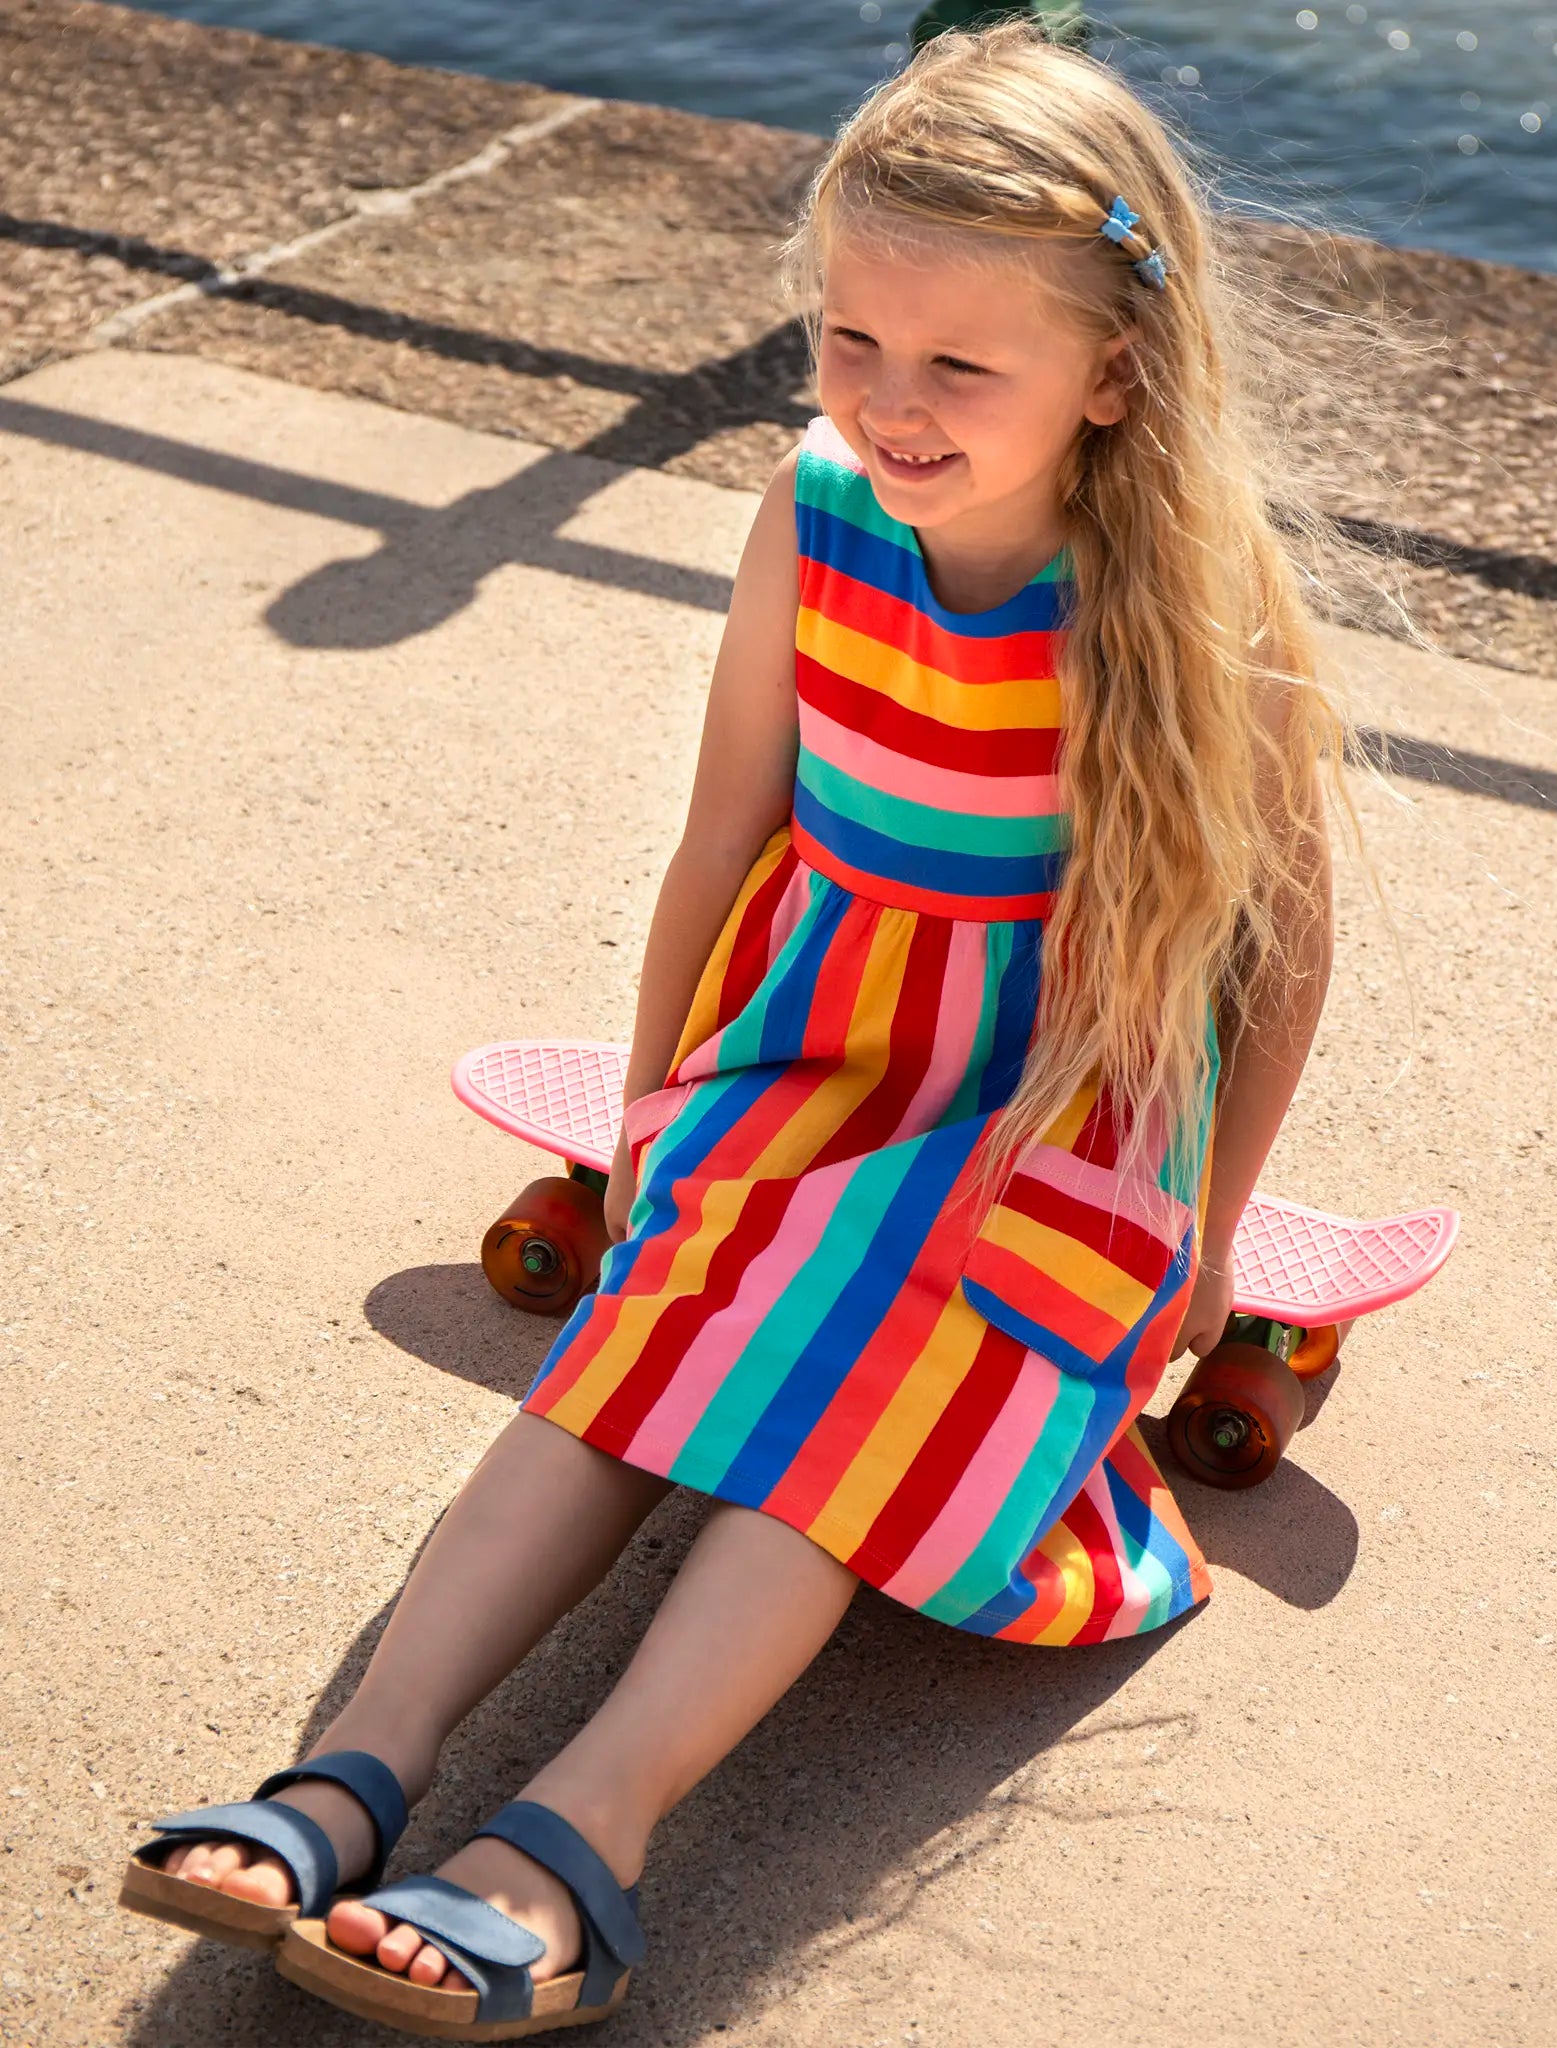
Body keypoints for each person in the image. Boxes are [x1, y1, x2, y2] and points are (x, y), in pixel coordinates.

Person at [119, 20, 1357, 2038]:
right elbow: (722, 839)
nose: (890, 399)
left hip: (1050, 1119)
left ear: (1115, 371)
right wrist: (649, 1119)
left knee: (857, 1395)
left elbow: (1278, 955)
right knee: (621, 1360)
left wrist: (1212, 1232)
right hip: (814, 1049)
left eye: (959, 364)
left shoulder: (1193, 605)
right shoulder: (815, 508)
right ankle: (353, 1766)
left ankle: (577, 1834)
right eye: (850, 338)